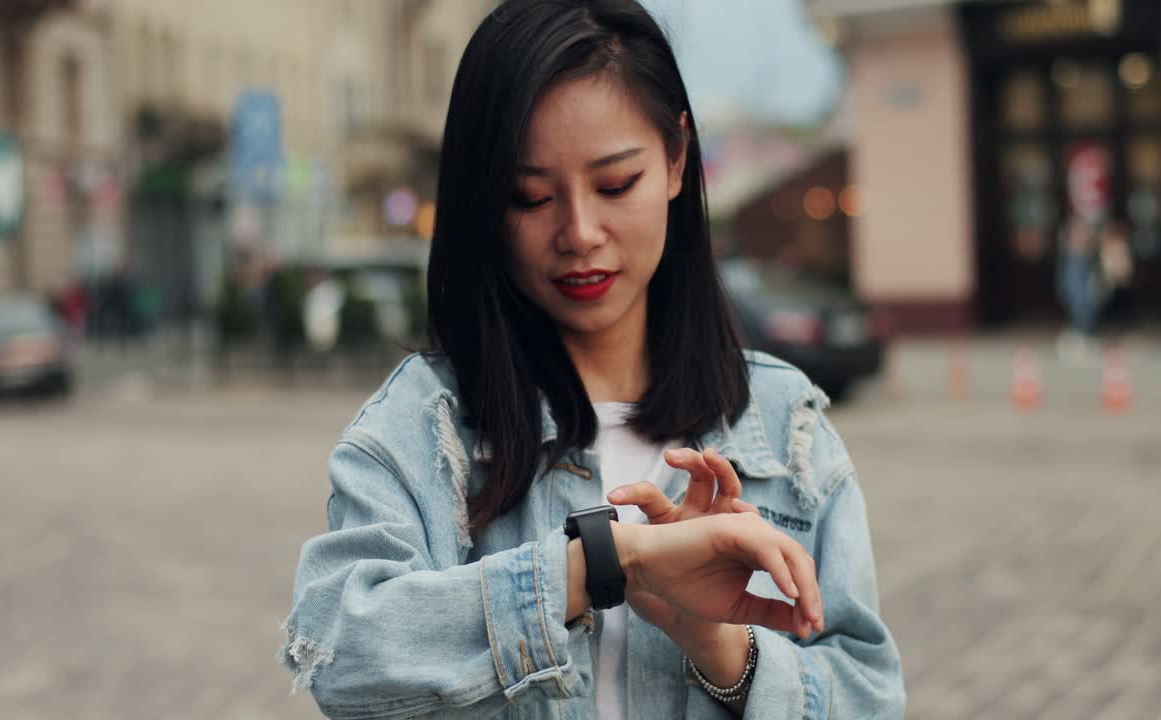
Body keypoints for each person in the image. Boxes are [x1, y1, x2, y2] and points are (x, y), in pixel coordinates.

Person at [279, 1, 904, 718]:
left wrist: (719, 644)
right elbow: (341, 655)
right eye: (530, 196)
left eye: (614, 185)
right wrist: (607, 562)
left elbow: (871, 698)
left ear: (676, 158)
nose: (578, 232)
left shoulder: (780, 425)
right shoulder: (425, 431)